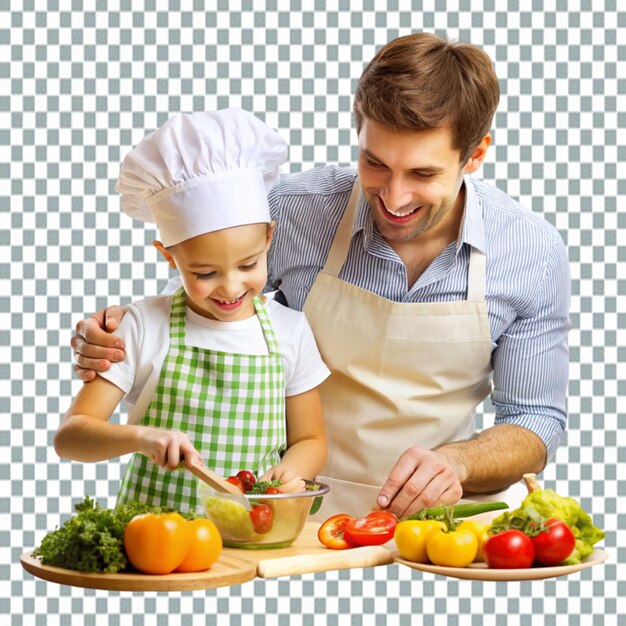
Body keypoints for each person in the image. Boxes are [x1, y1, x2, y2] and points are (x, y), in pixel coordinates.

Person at [70, 33, 570, 519]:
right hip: (288, 519)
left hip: (439, 532)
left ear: (475, 155)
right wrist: (120, 334)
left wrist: (459, 461)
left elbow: (535, 419)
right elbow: (196, 311)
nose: (394, 199)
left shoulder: (531, 252)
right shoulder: (292, 211)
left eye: (423, 174)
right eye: (374, 162)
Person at [55, 108, 329, 514]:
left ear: (270, 237)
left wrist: (288, 474)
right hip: (156, 547)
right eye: (204, 272)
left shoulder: (291, 331)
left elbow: (311, 439)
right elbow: (71, 437)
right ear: (169, 256)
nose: (232, 287)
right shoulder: (144, 326)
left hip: (248, 540)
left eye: (249, 264)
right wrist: (141, 437)